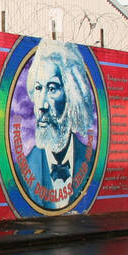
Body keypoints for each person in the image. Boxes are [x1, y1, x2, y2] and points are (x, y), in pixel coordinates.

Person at [20, 40, 93, 210]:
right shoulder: (24, 170)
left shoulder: (91, 164)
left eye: (52, 89)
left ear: (72, 97)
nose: (42, 105)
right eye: (38, 88)